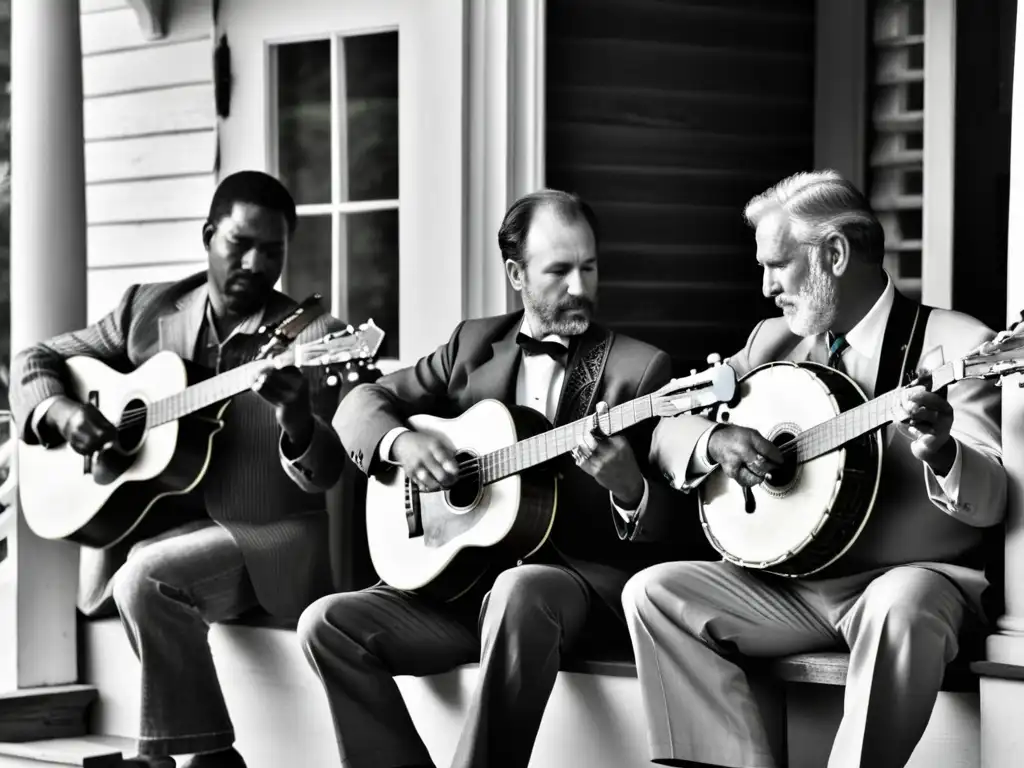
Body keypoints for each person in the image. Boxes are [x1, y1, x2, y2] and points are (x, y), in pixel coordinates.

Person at [300, 189, 710, 768]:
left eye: (589, 268)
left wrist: (628, 489)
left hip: (570, 591)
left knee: (521, 590)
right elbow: (359, 406)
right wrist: (403, 443)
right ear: (516, 273)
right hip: (459, 592)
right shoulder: (472, 344)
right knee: (327, 624)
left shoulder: (640, 369)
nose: (579, 287)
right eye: (559, 270)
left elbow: (680, 523)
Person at [621, 169, 1007, 768]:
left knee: (899, 602)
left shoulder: (958, 344)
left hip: (907, 579)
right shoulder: (772, 341)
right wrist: (715, 438)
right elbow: (670, 428)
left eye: (778, 265)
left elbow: (995, 501)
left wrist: (944, 453)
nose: (768, 286)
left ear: (834, 254)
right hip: (794, 589)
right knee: (654, 592)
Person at [9, 171, 346, 768]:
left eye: (272, 251)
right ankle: (207, 755)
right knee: (143, 565)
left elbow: (325, 474)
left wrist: (295, 414)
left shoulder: (314, 337)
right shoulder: (149, 308)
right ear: (208, 235)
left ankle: (184, 756)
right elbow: (37, 357)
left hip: (263, 531)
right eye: (238, 244)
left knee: (146, 576)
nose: (254, 263)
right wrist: (61, 413)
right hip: (154, 524)